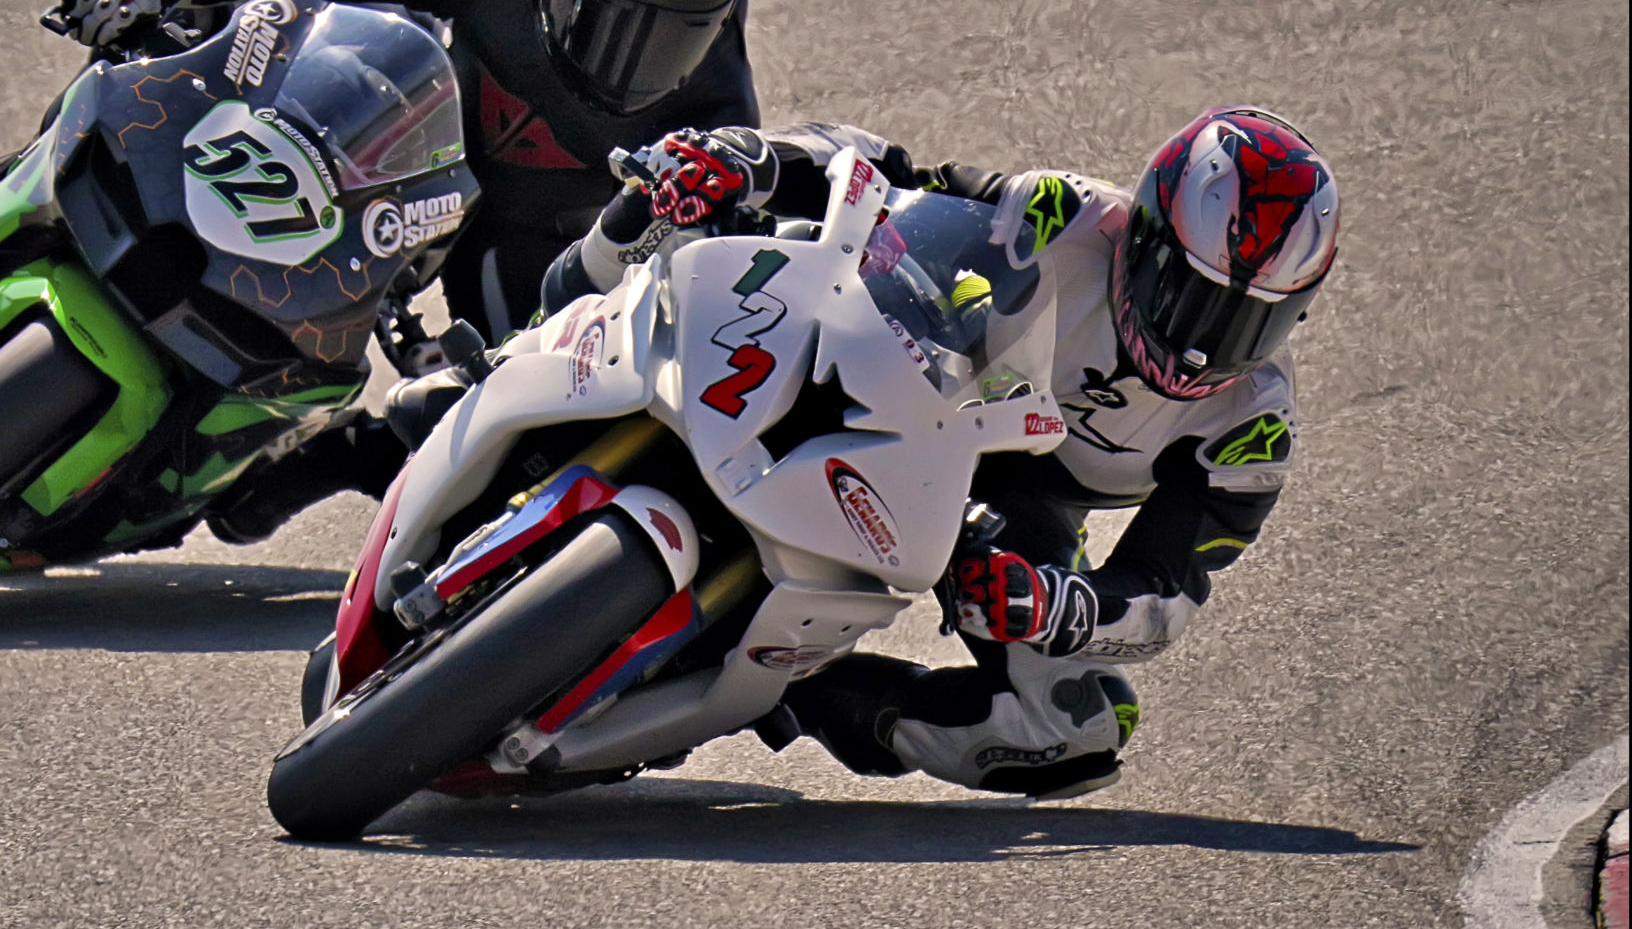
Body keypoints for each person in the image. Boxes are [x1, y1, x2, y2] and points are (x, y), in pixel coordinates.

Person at [0, 0, 761, 543]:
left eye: (671, 39)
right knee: (186, 33)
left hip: (525, 234)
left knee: (525, 432)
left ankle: (332, 452)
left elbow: (737, 239)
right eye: (605, 16)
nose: (633, 59)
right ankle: (17, 173)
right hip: (386, 122)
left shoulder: (719, 97)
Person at [526, 108, 1340, 799]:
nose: (1202, 346)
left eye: (1245, 320)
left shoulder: (1252, 426)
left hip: (1012, 507)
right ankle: (529, 361)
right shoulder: (1065, 216)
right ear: (1147, 236)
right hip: (912, 382)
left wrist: (1056, 605)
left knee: (1072, 729)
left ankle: (786, 689)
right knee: (689, 207)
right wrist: (758, 160)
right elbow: (886, 173)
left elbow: (1166, 593)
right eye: (1190, 295)